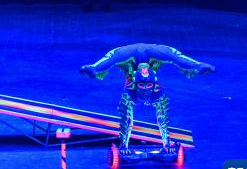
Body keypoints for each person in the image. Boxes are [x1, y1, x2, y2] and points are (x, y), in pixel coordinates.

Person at [81, 43, 214, 152]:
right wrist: (94, 68)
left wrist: (198, 66)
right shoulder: (127, 71)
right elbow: (111, 58)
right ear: (135, 84)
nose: (145, 90)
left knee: (173, 60)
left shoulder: (157, 85)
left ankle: (166, 143)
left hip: (152, 52)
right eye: (142, 86)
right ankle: (124, 144)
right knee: (125, 101)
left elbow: (176, 57)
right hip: (130, 53)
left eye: (149, 85)